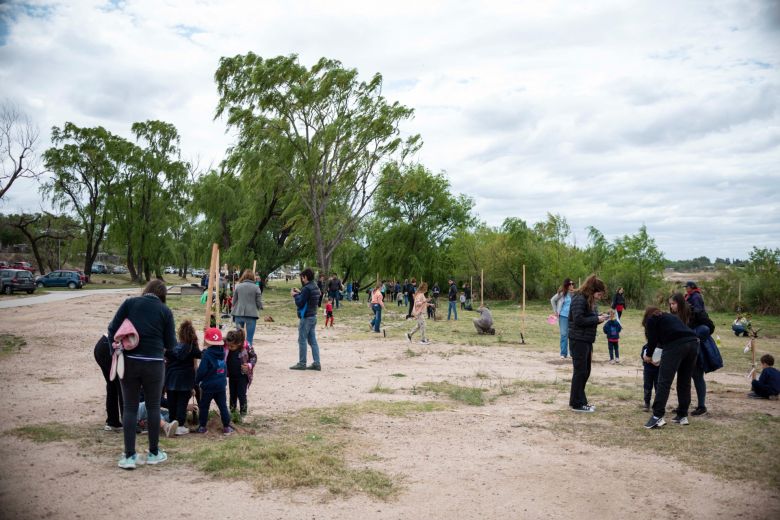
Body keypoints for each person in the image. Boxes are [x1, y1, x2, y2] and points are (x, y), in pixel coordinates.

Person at [108, 279, 176, 469]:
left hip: (129, 362)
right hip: (154, 364)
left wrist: (113, 351)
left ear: (146, 290)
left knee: (129, 407)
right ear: (163, 295)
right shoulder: (165, 311)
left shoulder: (130, 303)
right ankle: (154, 453)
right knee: (153, 407)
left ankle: (130, 456)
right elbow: (171, 344)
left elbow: (112, 328)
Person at [641, 306, 699, 428]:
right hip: (693, 343)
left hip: (677, 345)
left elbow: (652, 341)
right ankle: (682, 415)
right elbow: (665, 342)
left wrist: (649, 356)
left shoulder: (652, 319)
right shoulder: (670, 318)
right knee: (684, 381)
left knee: (664, 381)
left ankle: (657, 416)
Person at [669, 292, 715, 416]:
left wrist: (696, 335)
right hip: (681, 349)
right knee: (683, 378)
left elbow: (710, 327)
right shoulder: (673, 315)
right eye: (670, 304)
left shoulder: (696, 312)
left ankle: (701, 406)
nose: (671, 306)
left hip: (697, 349)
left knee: (697, 376)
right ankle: (683, 405)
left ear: (680, 303)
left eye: (673, 303)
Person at [568, 274, 608, 413]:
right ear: (593, 290)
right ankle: (577, 404)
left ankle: (580, 401)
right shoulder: (579, 298)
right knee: (580, 372)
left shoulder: (587, 299)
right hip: (578, 340)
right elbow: (578, 320)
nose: (599, 297)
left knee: (585, 371)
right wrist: (596, 319)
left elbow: (587, 316)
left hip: (585, 340)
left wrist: (599, 317)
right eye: (599, 294)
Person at [195, 327, 235, 435]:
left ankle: (202, 427)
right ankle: (226, 427)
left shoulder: (207, 354)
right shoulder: (222, 352)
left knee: (204, 406)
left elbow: (202, 370)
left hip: (208, 386)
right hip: (221, 385)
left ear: (207, 341)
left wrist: (197, 380)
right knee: (222, 406)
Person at [164, 320, 202, 435]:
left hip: (171, 379)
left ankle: (171, 422)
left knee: (172, 403)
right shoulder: (192, 349)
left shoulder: (172, 347)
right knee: (182, 403)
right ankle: (180, 425)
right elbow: (202, 355)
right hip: (185, 380)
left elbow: (166, 355)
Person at [290, 268, 322, 370]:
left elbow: (300, 303)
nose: (302, 279)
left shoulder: (307, 288)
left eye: (302, 277)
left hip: (306, 318)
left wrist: (295, 295)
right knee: (313, 341)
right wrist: (300, 293)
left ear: (306, 277)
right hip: (313, 316)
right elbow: (308, 298)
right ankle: (317, 363)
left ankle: (302, 363)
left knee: (302, 340)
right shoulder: (315, 286)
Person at [93, 334, 123, 432]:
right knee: (123, 386)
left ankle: (113, 422)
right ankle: (129, 423)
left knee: (113, 386)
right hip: (109, 348)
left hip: (103, 345)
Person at [225, 328, 256, 417]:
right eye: (228, 346)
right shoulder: (228, 345)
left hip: (242, 376)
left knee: (241, 395)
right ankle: (232, 413)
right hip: (232, 376)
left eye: (232, 346)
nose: (229, 348)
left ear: (238, 344)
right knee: (232, 395)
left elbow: (254, 357)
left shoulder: (246, 346)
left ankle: (243, 414)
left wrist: (249, 365)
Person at [231, 269, 264, 347]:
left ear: (244, 276)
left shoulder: (238, 286)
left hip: (239, 314)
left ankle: (238, 354)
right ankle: (248, 354)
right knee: (249, 338)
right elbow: (259, 301)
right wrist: (260, 307)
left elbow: (233, 301)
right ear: (253, 277)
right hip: (251, 315)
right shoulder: (256, 287)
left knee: (239, 337)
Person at [550, 278, 574, 359]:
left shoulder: (575, 294)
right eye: (570, 284)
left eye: (572, 284)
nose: (571, 286)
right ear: (566, 285)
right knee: (564, 334)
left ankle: (572, 353)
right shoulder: (562, 293)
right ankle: (563, 353)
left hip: (572, 317)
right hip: (563, 316)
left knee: (572, 335)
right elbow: (552, 300)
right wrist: (556, 311)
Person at [640, 343, 660, 412]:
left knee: (658, 387)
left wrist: (655, 361)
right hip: (648, 370)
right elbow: (643, 356)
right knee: (647, 386)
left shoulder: (661, 346)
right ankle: (647, 403)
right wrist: (651, 361)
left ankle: (657, 405)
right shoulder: (646, 346)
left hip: (658, 371)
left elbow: (661, 358)